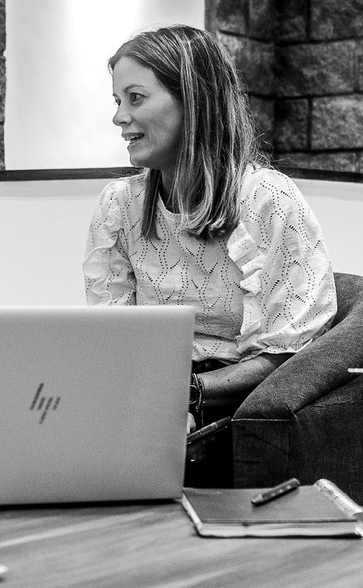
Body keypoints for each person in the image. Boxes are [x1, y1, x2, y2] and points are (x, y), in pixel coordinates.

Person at [83, 26, 337, 470]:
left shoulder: (267, 200)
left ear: (193, 101)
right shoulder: (118, 205)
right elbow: (114, 335)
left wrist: (190, 394)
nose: (119, 117)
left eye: (135, 98)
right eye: (117, 101)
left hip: (235, 404)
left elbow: (288, 354)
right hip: (146, 396)